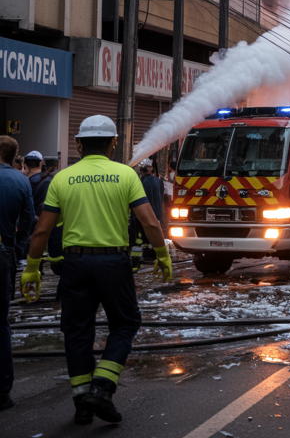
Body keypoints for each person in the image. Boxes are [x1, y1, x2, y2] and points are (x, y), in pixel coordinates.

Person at [21, 115, 172, 424]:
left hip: (74, 264)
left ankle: (82, 403)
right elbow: (150, 222)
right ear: (113, 143)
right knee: (125, 323)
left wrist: (32, 268)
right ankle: (102, 388)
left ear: (79, 144)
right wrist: (162, 255)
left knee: (77, 330)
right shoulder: (126, 175)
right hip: (113, 263)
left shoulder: (62, 178)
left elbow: (42, 230)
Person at [0, 135, 35, 411]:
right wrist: (18, 246)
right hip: (3, 252)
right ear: (14, 156)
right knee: (1, 323)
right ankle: (2, 392)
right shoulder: (20, 181)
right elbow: (28, 222)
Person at [130, 160, 165, 269]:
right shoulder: (158, 182)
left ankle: (138, 258)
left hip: (141, 217)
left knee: (138, 239)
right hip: (156, 216)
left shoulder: (141, 182)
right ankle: (151, 254)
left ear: (141, 170)